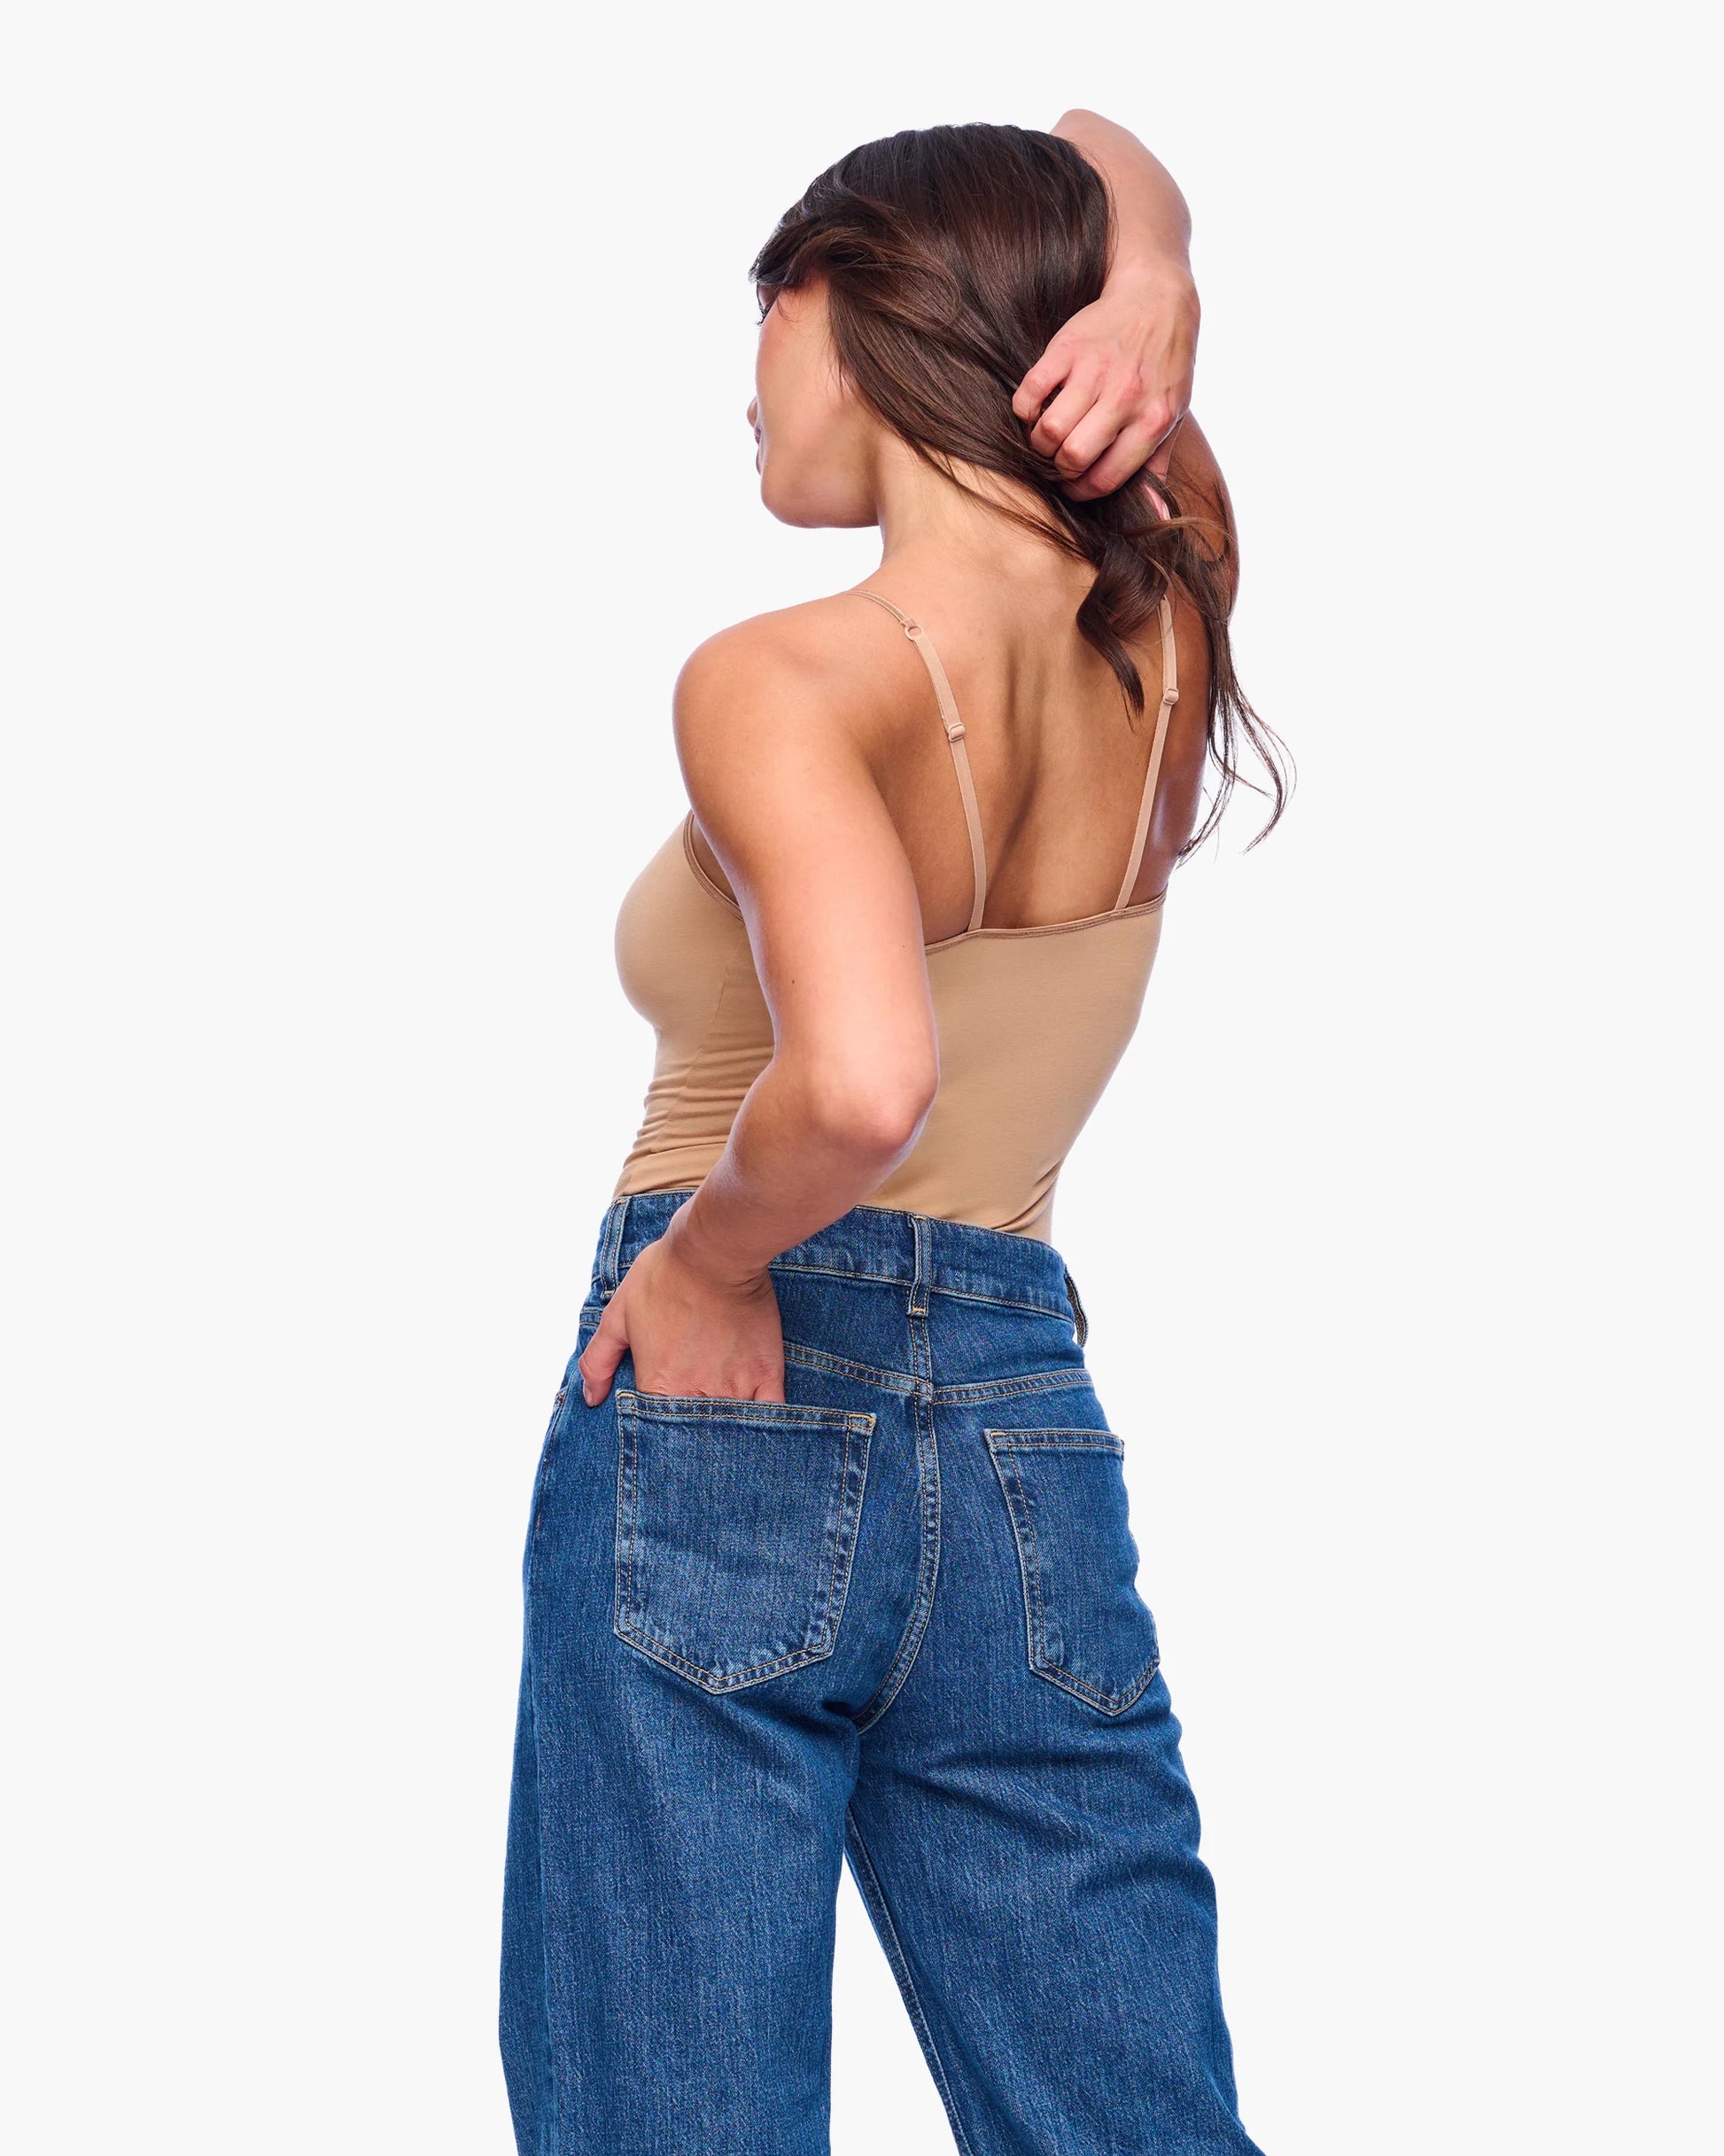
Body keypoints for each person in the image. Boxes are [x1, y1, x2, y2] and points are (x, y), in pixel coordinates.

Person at [501, 110, 1288, 2155]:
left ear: (848, 300)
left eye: (760, 316)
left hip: (728, 1391)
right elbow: (1101, 146)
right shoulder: (1168, 612)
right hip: (1019, 1417)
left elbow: (860, 1083)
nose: (744, 385)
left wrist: (707, 1261)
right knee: (1130, 2117)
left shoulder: (782, 678)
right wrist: (1159, 282)